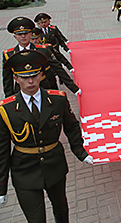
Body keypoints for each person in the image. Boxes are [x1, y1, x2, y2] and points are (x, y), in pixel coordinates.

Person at [0, 50, 93, 223]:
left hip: (54, 164)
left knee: (61, 209)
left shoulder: (57, 99)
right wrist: (1, 187)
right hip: (24, 170)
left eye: (34, 75)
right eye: (24, 77)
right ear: (15, 79)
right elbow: (2, 149)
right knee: (36, 219)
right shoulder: (7, 109)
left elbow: (72, 126)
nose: (30, 81)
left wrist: (80, 152)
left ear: (41, 75)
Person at [3, 17, 80, 98]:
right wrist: (9, 99)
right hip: (21, 91)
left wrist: (73, 88)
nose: (23, 36)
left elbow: (58, 68)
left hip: (43, 87)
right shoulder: (9, 55)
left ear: (30, 34)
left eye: (26, 33)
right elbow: (7, 80)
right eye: (19, 34)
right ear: (15, 36)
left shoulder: (43, 50)